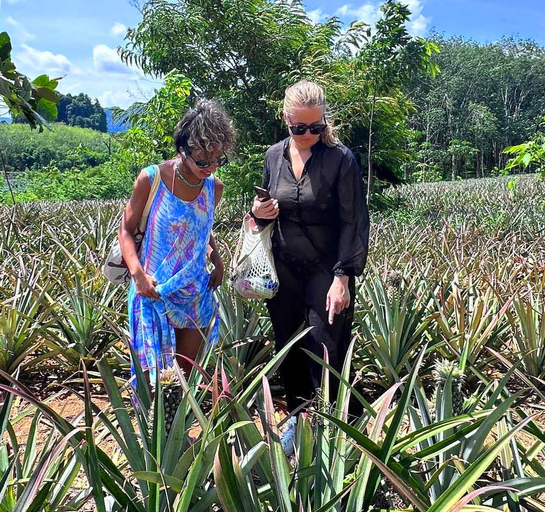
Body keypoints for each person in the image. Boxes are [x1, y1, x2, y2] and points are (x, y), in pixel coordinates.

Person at [251, 80, 369, 454]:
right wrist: (259, 213)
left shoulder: (341, 159)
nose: (307, 135)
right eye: (298, 128)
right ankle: (299, 420)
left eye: (315, 128)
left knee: (325, 343)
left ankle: (335, 426)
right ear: (285, 120)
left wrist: (343, 277)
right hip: (284, 264)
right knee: (288, 344)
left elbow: (354, 220)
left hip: (327, 265)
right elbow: (265, 210)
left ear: (324, 123)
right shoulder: (273, 156)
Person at [119, 100, 235, 389]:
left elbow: (200, 229)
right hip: (152, 288)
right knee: (152, 377)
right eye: (203, 161)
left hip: (194, 290)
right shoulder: (152, 178)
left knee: (185, 375)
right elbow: (126, 229)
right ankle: (152, 433)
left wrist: (217, 259)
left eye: (217, 160)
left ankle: (179, 434)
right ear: (183, 150)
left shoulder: (214, 188)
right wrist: (138, 275)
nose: (210, 168)